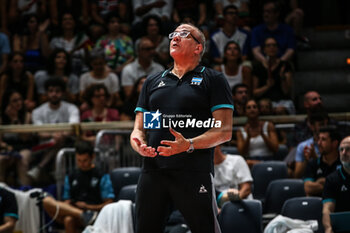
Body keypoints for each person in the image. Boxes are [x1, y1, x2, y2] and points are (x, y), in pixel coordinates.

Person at [130, 23, 234, 233]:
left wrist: (188, 144)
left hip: (193, 170)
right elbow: (140, 128)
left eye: (184, 34)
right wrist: (139, 143)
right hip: (153, 171)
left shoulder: (213, 79)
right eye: (173, 34)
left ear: (198, 48)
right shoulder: (153, 81)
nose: (175, 37)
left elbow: (223, 132)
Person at [29, 78, 79, 184]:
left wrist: (60, 135)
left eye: (57, 91)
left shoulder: (72, 108)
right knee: (58, 141)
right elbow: (39, 133)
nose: (54, 94)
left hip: (68, 144)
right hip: (43, 147)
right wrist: (54, 135)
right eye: (51, 91)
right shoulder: (37, 111)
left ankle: (39, 167)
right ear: (46, 93)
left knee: (59, 141)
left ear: (62, 93)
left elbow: (73, 128)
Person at [59, 140, 115, 232]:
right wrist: (68, 203)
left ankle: (86, 216)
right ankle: (82, 214)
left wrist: (87, 207)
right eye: (79, 160)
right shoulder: (71, 176)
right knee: (47, 202)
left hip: (96, 214)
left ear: (92, 157)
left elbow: (109, 203)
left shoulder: (101, 175)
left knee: (68, 219)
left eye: (85, 160)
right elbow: (66, 199)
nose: (82, 164)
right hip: (74, 211)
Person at [252, 37, 295, 114]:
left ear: (278, 49)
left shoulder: (285, 65)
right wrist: (267, 87)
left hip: (282, 101)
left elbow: (287, 92)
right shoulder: (258, 67)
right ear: (264, 49)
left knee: (280, 110)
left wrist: (282, 78)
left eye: (274, 45)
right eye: (268, 45)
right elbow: (255, 92)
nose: (271, 47)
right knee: (263, 107)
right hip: (264, 102)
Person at [0, 90, 32, 186]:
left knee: (22, 160)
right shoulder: (1, 117)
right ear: (8, 103)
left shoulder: (27, 115)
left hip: (23, 147)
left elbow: (25, 138)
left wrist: (15, 119)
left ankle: (25, 191)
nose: (19, 103)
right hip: (6, 148)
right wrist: (6, 147)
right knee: (0, 160)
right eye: (14, 101)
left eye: (20, 100)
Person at [236, 99, 279, 167]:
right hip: (249, 162)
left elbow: (275, 149)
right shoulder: (241, 130)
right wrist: (248, 137)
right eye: (249, 107)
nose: (252, 109)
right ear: (245, 112)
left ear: (259, 110)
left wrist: (263, 135)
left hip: (268, 160)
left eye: (254, 107)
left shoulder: (268, 126)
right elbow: (242, 153)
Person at [251, 0, 296, 65]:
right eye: (264, 12)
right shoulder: (256, 30)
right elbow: (255, 50)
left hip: (283, 62)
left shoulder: (287, 30)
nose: (265, 14)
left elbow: (290, 50)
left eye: (269, 12)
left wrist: (279, 62)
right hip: (262, 62)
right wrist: (265, 62)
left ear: (277, 14)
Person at [322, 136, 350, 233]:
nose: (344, 153)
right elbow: (327, 209)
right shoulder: (332, 179)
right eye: (341, 149)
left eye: (348, 149)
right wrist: (328, 228)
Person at [303, 126, 341, 197]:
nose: (319, 143)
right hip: (317, 205)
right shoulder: (313, 163)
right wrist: (334, 185)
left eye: (323, 140)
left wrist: (322, 182)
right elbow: (308, 188)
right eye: (318, 139)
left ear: (334, 143)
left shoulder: (344, 163)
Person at [292, 110, 329, 178]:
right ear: (312, 127)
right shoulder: (303, 146)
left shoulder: (333, 144)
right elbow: (297, 175)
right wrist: (307, 160)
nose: (325, 127)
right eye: (321, 124)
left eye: (327, 124)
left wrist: (315, 158)